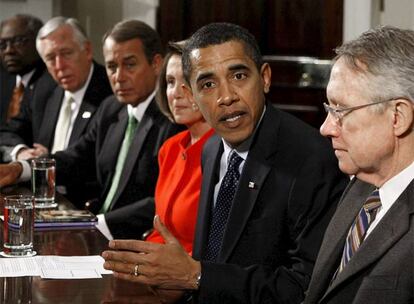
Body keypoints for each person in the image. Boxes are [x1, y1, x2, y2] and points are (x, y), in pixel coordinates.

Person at [102, 22, 348, 303]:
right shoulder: (211, 149)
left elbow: (304, 287)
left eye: (239, 75)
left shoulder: (312, 159)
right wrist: (176, 281)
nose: (227, 96)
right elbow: (212, 261)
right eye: (208, 84)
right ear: (192, 95)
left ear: (265, 78)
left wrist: (195, 276)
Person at [304, 26, 414, 304]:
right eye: (329, 110)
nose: (325, 128)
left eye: (341, 111)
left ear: (398, 116)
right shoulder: (361, 183)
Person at [102, 41, 214, 249]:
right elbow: (159, 230)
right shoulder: (170, 148)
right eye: (170, 82)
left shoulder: (228, 153)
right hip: (156, 266)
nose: (176, 93)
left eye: (187, 81)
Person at [0, 16, 112, 164]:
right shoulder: (43, 88)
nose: (59, 66)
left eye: (66, 53)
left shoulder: (111, 91)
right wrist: (21, 152)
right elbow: (7, 132)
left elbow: (90, 159)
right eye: (51, 58)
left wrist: (45, 161)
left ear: (87, 50)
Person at [0, 14, 56, 126]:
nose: (8, 51)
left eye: (18, 41)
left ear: (39, 42)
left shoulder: (54, 81)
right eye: (2, 45)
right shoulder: (3, 79)